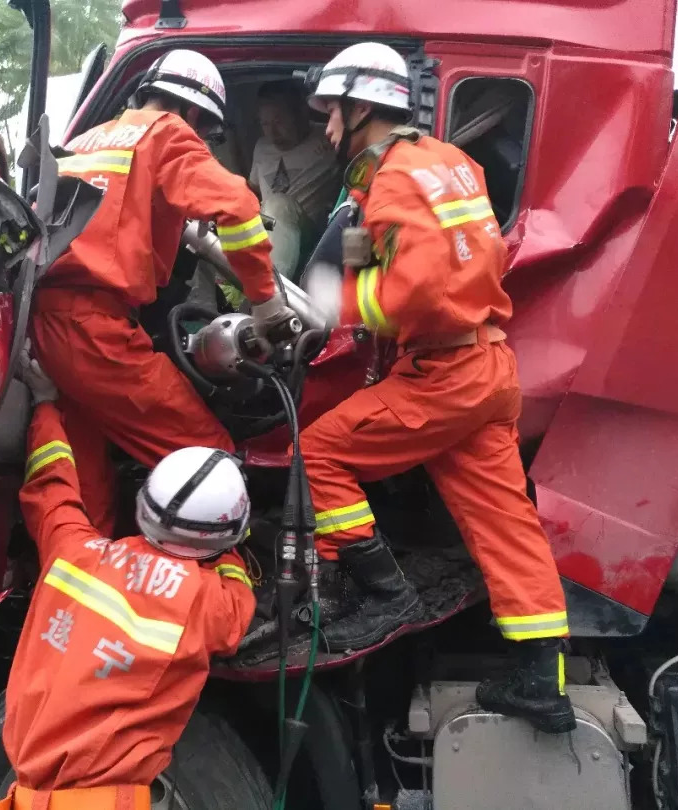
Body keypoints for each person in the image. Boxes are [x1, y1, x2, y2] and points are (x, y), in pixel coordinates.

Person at [286, 42, 574, 734]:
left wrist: (339, 306)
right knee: (506, 525)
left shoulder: (395, 181)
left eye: (332, 114)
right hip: (488, 368)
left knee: (321, 450)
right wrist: (352, 258)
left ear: (363, 109)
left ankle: (382, 593)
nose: (326, 128)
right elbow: (454, 255)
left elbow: (415, 290)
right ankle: (547, 678)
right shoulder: (449, 163)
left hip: (444, 371)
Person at [32, 49, 295, 536]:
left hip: (49, 327)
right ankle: (227, 583)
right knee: (210, 455)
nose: (201, 142)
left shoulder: (86, 139)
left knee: (87, 477)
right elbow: (237, 208)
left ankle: (101, 573)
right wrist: (264, 303)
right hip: (96, 330)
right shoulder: (167, 133)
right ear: (193, 113)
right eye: (204, 133)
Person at [0, 346, 256, 810]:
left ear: (144, 504)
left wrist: (46, 403)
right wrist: (232, 552)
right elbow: (238, 599)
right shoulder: (209, 601)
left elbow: (51, 482)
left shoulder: (72, 550)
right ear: (218, 539)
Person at [247, 81, 340, 280]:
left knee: (279, 203)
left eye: (279, 121)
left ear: (302, 115)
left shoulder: (328, 138)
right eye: (265, 124)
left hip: (311, 239)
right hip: (267, 236)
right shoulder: (261, 147)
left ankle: (272, 292)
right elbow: (252, 189)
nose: (272, 132)